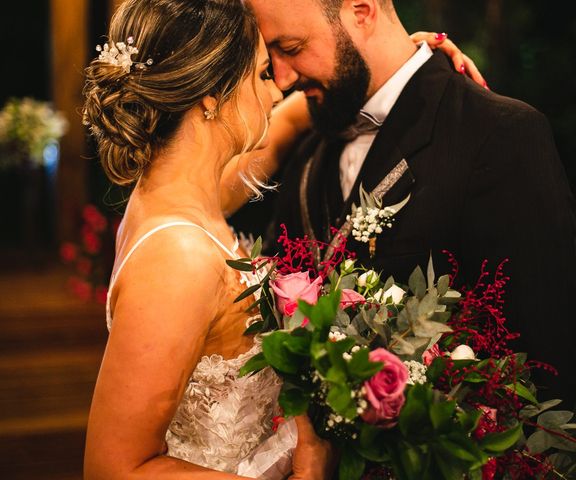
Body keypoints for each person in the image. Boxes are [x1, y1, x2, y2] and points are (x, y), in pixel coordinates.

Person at [82, 0, 476, 478]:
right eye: (263, 73)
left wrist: (403, 66)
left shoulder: (173, 193)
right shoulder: (179, 257)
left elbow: (290, 119)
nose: (278, 90)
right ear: (212, 95)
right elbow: (112, 469)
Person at [253, 0, 576, 407]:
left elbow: (541, 369)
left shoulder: (499, 135)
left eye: (293, 47)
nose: (281, 79)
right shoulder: (305, 149)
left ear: (362, 11)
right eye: (272, 56)